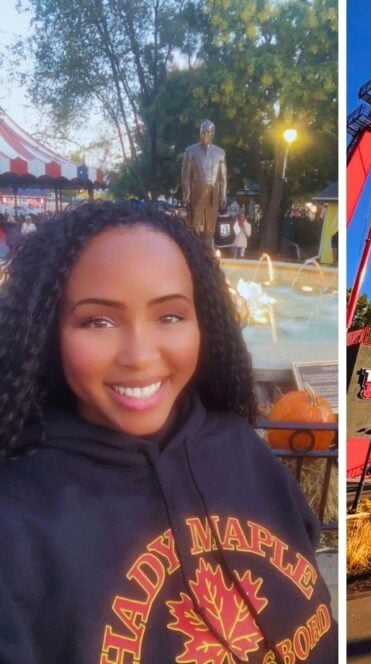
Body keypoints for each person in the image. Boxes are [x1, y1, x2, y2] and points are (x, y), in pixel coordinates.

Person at [0, 202, 337, 662]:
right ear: (47, 333)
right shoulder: (17, 519)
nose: (139, 355)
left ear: (203, 321)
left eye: (170, 316)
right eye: (98, 321)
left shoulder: (238, 444)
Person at [181, 120, 227, 246]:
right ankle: (194, 249)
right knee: (194, 224)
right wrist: (186, 194)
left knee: (210, 226)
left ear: (213, 133)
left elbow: (223, 177)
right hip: (197, 193)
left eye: (208, 131)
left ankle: (207, 250)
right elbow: (185, 177)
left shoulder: (220, 153)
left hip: (214, 194)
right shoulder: (190, 151)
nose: (205, 134)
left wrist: (223, 195)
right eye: (203, 131)